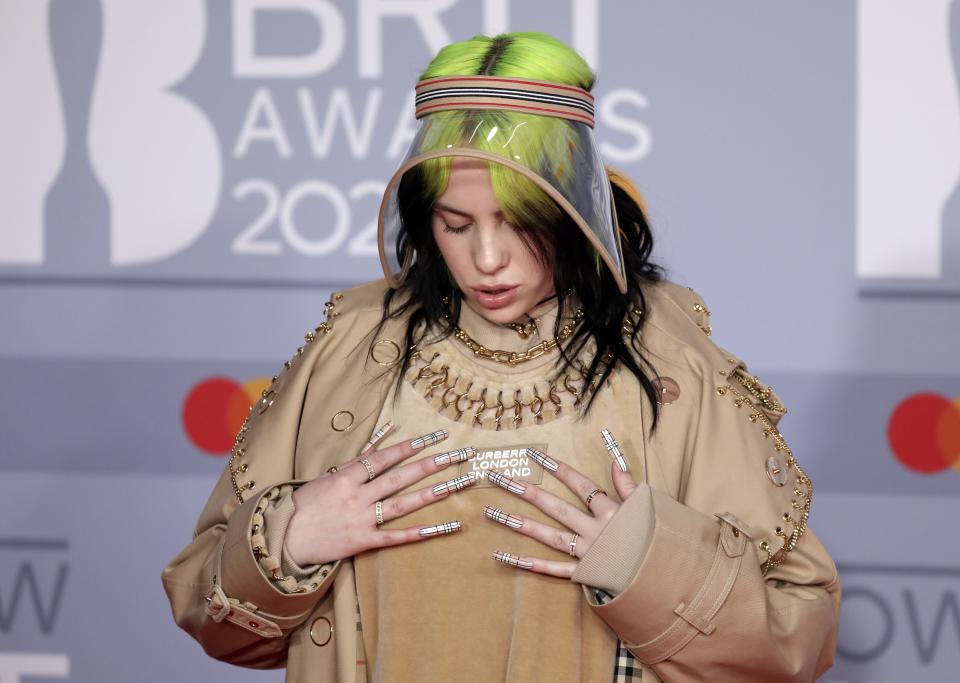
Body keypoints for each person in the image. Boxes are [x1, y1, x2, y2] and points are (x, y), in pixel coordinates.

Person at [162, 31, 840, 682]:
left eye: (520, 223)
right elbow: (208, 609)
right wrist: (289, 540)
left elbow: (799, 631)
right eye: (455, 224)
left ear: (574, 209)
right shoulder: (352, 345)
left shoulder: (667, 359)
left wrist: (651, 563)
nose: (487, 260)